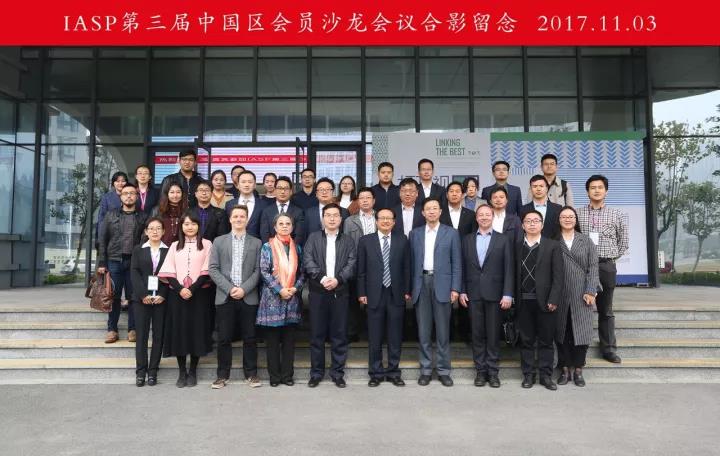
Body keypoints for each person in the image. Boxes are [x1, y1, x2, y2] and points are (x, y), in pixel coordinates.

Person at [208, 205, 263, 389]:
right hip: (225, 296)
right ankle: (222, 375)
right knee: (224, 338)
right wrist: (231, 288)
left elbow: (258, 271)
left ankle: (251, 374)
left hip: (248, 296)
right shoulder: (219, 241)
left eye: (242, 216)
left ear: (247, 219)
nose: (239, 219)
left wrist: (244, 289)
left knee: (250, 338)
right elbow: (213, 269)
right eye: (236, 216)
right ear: (230, 219)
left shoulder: (256, 243)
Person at [408, 198, 462, 387]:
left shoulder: (451, 233)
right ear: (422, 213)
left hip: (443, 285)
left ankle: (443, 370)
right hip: (421, 283)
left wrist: (455, 288)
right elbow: (410, 263)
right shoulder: (414, 234)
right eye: (428, 209)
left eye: (434, 208)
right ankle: (425, 370)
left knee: (442, 332)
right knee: (423, 332)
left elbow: (457, 263)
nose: (431, 211)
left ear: (440, 211)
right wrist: (409, 288)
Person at [459, 205, 514, 388]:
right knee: (477, 334)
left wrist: (508, 293)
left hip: (496, 294)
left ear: (493, 217)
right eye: (480, 215)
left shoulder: (503, 239)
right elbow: (462, 267)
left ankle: (493, 372)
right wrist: (462, 290)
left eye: (487, 214)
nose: (484, 217)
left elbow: (509, 268)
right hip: (473, 293)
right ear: (476, 218)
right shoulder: (467, 239)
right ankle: (480, 372)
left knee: (492, 335)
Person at [303, 203, 357, 388]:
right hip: (318, 292)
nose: (332, 218)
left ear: (341, 219)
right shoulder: (313, 237)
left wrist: (338, 280)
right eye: (328, 215)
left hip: (340, 292)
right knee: (316, 335)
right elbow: (308, 260)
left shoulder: (348, 240)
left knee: (339, 335)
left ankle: (337, 373)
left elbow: (352, 263)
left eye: (335, 215)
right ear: (323, 218)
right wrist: (323, 278)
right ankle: (316, 373)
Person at [576, 175, 629, 364]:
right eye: (592, 187)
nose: (596, 190)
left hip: (606, 265)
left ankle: (608, 349)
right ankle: (579, 348)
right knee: (581, 308)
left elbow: (623, 242)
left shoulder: (617, 214)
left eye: (600, 187)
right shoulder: (578, 213)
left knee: (605, 310)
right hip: (582, 267)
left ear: (606, 191)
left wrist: (610, 258)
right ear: (587, 191)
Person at [158, 212, 213, 388]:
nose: (190, 227)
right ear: (181, 226)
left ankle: (193, 371)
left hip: (199, 294)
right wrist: (181, 289)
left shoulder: (207, 244)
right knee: (179, 332)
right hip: (178, 295)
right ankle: (182, 372)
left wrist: (192, 289)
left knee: (196, 331)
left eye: (193, 224)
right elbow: (169, 271)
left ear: (199, 226)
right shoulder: (174, 246)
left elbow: (207, 270)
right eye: (186, 224)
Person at [357, 208, 410, 387]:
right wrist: (362, 292)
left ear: (394, 222)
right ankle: (376, 373)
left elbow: (407, 267)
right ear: (376, 221)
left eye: (389, 218)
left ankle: (394, 372)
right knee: (375, 336)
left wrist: (407, 290)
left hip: (396, 293)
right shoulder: (365, 241)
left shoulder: (402, 240)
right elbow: (361, 270)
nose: (386, 221)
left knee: (395, 336)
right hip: (374, 293)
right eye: (382, 218)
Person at [515, 210, 564, 391]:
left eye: (536, 221)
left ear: (542, 225)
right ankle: (528, 375)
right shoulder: (516, 245)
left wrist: (554, 298)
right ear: (523, 225)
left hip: (546, 302)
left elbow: (558, 276)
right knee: (526, 341)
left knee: (546, 341)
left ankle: (546, 376)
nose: (532, 224)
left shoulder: (553, 246)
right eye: (528, 221)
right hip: (523, 301)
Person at [256, 213, 305, 387]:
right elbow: (264, 271)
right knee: (273, 342)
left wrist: (295, 288)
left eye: (288, 223)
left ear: (292, 227)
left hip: (291, 298)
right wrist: (280, 290)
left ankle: (287, 376)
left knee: (289, 342)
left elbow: (302, 273)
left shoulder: (297, 248)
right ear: (275, 227)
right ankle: (274, 377)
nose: (284, 226)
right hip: (272, 300)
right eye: (281, 224)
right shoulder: (267, 247)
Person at [554, 206, 600, 387]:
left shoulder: (586, 241)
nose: (567, 219)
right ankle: (565, 369)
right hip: (560, 292)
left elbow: (593, 268)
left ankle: (579, 369)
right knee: (562, 332)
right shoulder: (553, 240)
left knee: (582, 332)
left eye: (571, 216)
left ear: (576, 219)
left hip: (583, 292)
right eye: (564, 217)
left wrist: (590, 290)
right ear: (559, 220)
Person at [97, 183, 148, 344]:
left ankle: (133, 329)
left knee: (134, 297)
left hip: (134, 262)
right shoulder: (110, 215)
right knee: (113, 296)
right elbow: (102, 239)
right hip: (114, 261)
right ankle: (112, 329)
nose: (129, 196)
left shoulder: (143, 217)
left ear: (137, 197)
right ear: (120, 196)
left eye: (132, 193)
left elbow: (146, 240)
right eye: (126, 193)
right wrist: (102, 262)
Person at [130, 217, 169, 387]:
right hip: (141, 300)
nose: (155, 231)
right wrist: (142, 294)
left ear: (163, 231)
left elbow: (171, 275)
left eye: (158, 228)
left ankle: (153, 371)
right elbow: (134, 272)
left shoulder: (169, 251)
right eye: (151, 228)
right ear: (146, 231)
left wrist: (162, 294)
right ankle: (140, 372)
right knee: (142, 336)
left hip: (161, 299)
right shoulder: (138, 250)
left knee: (158, 336)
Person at [342, 187, 376, 342]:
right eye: (361, 198)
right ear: (357, 201)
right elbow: (346, 244)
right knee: (353, 300)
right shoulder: (350, 221)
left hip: (376, 266)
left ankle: (372, 332)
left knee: (375, 300)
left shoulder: (381, 217)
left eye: (368, 198)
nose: (365, 201)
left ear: (373, 200)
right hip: (356, 265)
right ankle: (353, 332)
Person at [259, 176, 305, 244]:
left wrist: (291, 248)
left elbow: (299, 235)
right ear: (275, 190)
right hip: (271, 248)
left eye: (286, 188)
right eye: (279, 188)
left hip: (292, 249)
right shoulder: (266, 211)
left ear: (291, 191)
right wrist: (270, 248)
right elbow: (264, 234)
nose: (283, 191)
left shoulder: (298, 212)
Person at [225, 170, 267, 239]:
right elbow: (227, 228)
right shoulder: (229, 204)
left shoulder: (264, 205)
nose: (246, 185)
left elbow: (265, 230)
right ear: (238, 185)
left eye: (250, 182)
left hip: (256, 243)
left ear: (255, 185)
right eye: (243, 182)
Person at [520, 175, 562, 239]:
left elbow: (560, 230)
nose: (538, 189)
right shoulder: (523, 209)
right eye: (535, 186)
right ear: (530, 189)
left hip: (554, 244)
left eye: (541, 186)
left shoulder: (557, 208)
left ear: (547, 188)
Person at [96, 171, 128, 240]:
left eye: (123, 181)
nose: (120, 183)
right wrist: (101, 237)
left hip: (128, 233)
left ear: (126, 183)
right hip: (111, 234)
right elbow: (102, 217)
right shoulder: (107, 197)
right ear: (113, 183)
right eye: (117, 181)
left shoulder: (132, 196)